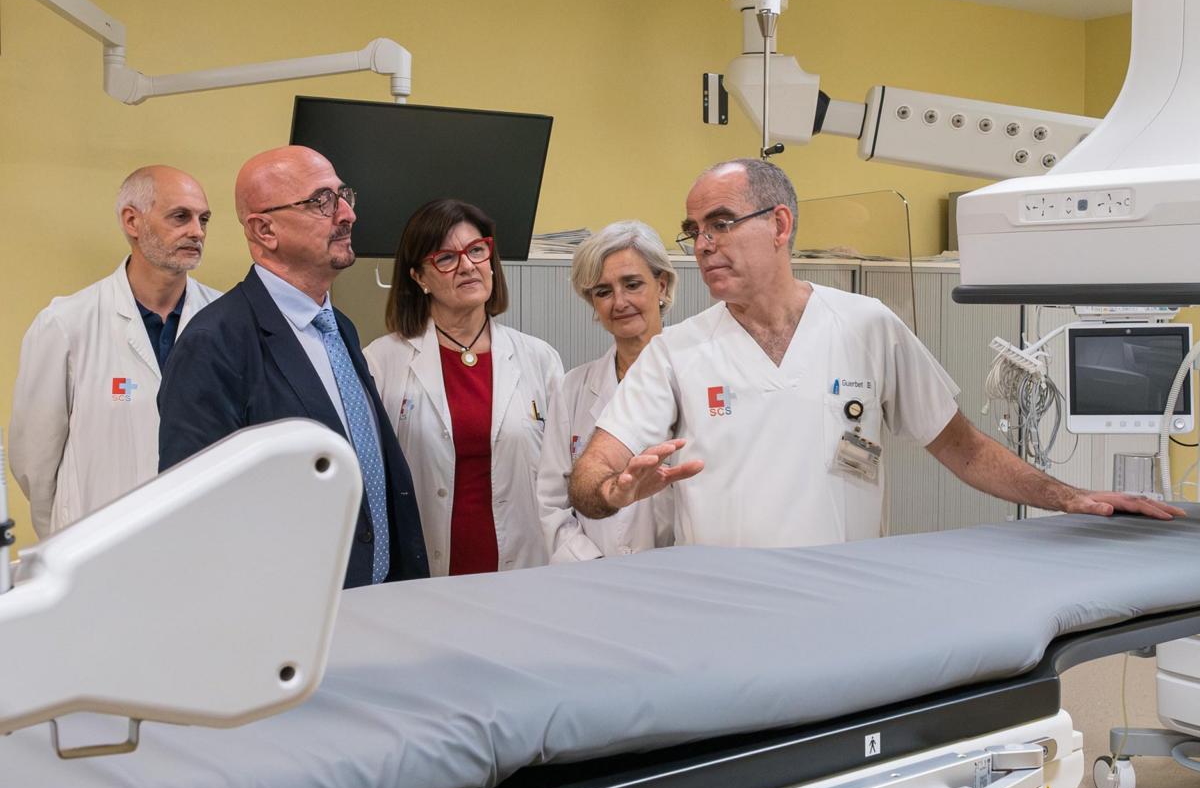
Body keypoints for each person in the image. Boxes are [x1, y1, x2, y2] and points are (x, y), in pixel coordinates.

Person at [569, 158, 1182, 545]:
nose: (702, 245)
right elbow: (590, 477)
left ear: (780, 225)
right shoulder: (677, 352)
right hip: (727, 604)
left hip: (848, 596)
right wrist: (613, 493)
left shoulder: (865, 325)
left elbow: (962, 448)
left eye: (721, 223)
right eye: (694, 231)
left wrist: (1071, 497)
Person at [157, 146, 428, 587]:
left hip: (379, 600)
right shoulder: (214, 343)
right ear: (264, 230)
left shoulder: (337, 325)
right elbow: (197, 511)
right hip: (291, 616)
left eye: (343, 195)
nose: (346, 214)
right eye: (321, 201)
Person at [10, 165, 221, 539]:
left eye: (203, 219)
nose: (197, 231)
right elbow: (33, 462)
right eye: (180, 217)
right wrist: (62, 538)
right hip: (96, 546)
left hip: (199, 540)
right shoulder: (65, 324)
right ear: (132, 221)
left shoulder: (225, 322)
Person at [364, 199, 563, 576]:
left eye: (476, 250)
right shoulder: (382, 361)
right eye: (446, 258)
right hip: (425, 568)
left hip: (525, 566)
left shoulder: (539, 358)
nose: (468, 265)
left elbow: (562, 474)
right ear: (419, 277)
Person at [537, 220, 678, 561]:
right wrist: (593, 566)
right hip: (594, 575)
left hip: (681, 574)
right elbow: (552, 500)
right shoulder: (573, 388)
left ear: (661, 286)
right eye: (603, 291)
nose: (620, 302)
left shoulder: (700, 376)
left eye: (632, 284)